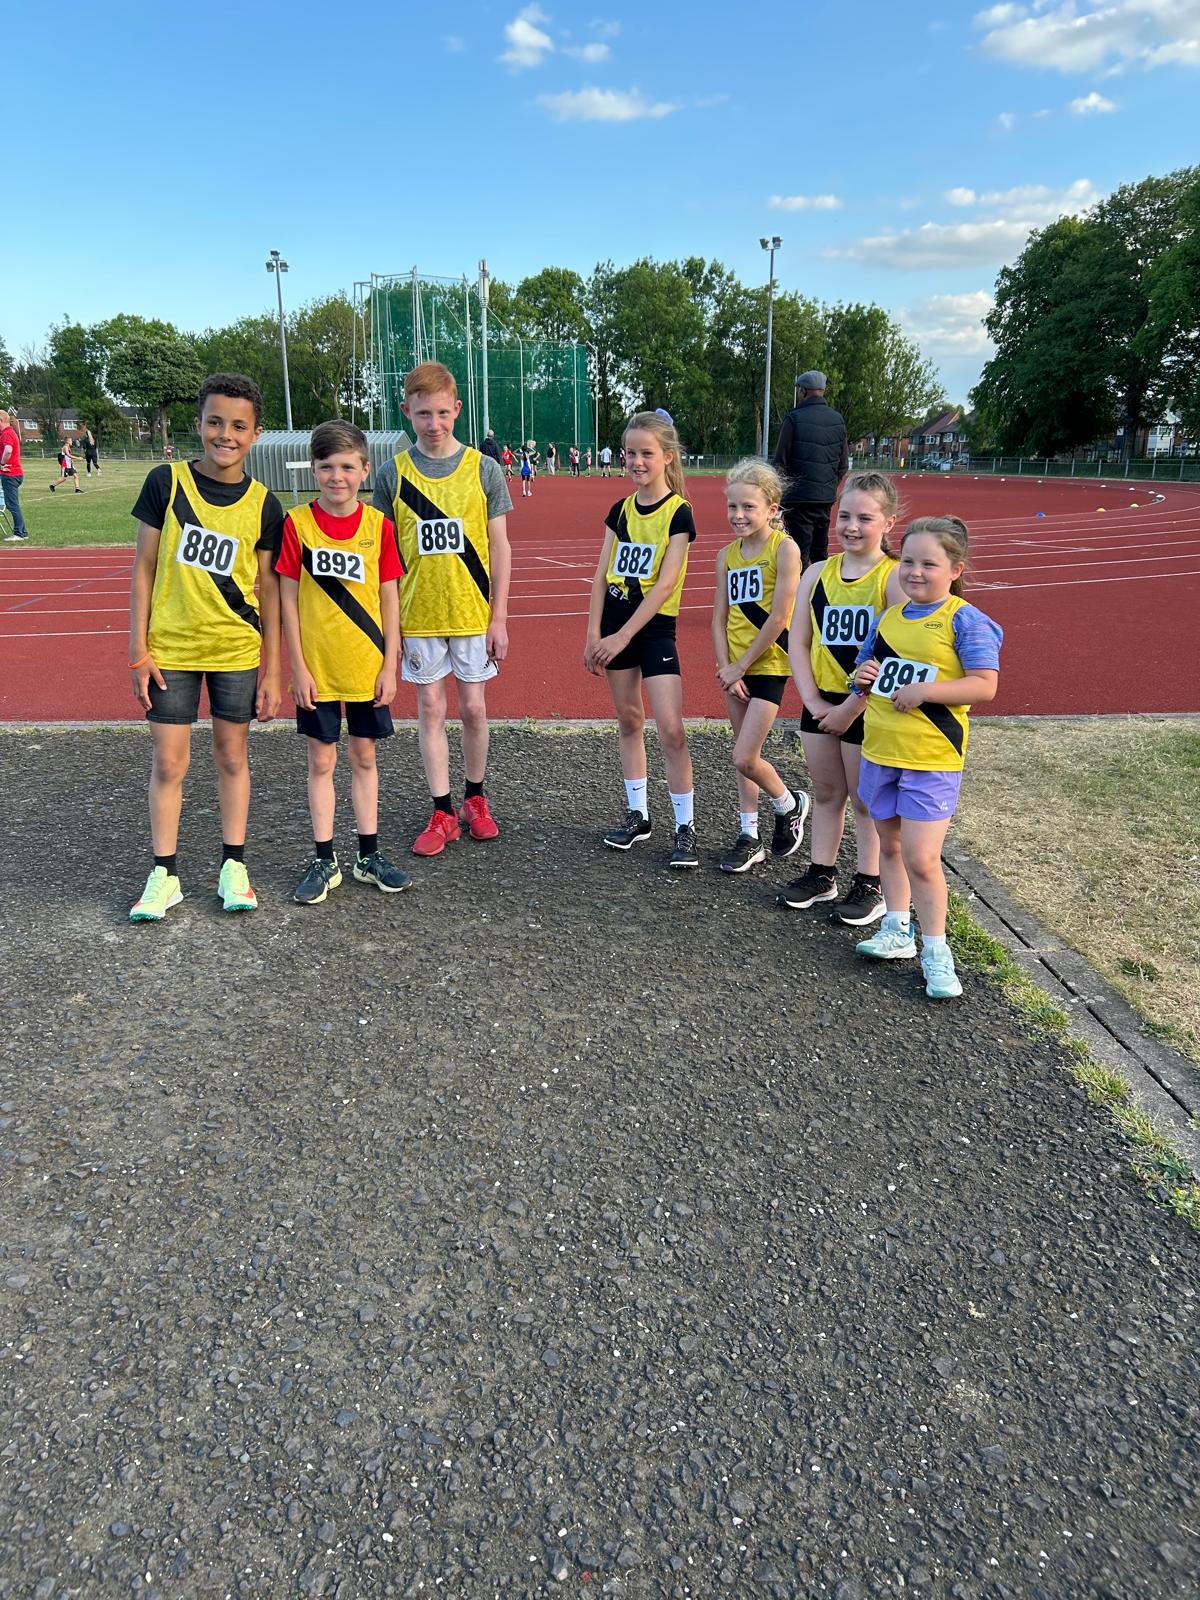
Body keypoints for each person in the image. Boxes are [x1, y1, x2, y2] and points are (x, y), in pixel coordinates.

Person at [127, 373, 284, 921]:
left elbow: (270, 593)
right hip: (170, 650)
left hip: (235, 651)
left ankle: (233, 865)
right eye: (215, 422)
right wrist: (138, 650)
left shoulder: (265, 505)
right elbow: (144, 569)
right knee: (169, 763)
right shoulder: (165, 483)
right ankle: (164, 874)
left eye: (239, 426)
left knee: (232, 757)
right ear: (198, 424)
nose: (225, 435)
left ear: (256, 434)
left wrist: (273, 672)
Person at [850, 515, 1002, 999]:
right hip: (881, 750)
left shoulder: (964, 619)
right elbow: (864, 669)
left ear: (955, 569)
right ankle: (897, 930)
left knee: (921, 857)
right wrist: (862, 676)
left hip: (931, 758)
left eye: (929, 564)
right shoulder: (889, 618)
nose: (915, 572)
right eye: (908, 561)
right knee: (890, 846)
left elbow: (985, 685)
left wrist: (927, 691)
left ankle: (937, 951)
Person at [372, 361, 512, 857]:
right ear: (407, 411)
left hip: (472, 612)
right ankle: (442, 810)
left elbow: (500, 546)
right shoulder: (392, 473)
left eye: (442, 413)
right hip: (419, 615)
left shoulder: (483, 468)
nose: (434, 424)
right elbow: (384, 555)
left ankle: (476, 798)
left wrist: (499, 617)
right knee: (430, 709)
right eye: (423, 414)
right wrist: (391, 629)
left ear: (457, 409)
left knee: (473, 708)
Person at [275, 420, 409, 905]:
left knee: (364, 757)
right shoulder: (297, 525)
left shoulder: (379, 527)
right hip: (318, 669)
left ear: (365, 470)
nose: (337, 477)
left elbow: (389, 599)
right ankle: (324, 858)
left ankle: (368, 855)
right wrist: (298, 668)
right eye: (327, 466)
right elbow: (288, 601)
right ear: (314, 468)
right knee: (321, 760)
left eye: (348, 467)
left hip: (365, 666)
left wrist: (389, 664)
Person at [779, 471, 904, 922]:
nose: (851, 526)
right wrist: (813, 702)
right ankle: (822, 874)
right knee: (827, 792)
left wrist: (853, 706)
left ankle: (870, 883)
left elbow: (895, 652)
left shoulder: (892, 578)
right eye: (844, 516)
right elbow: (798, 642)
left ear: (888, 523)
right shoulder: (817, 573)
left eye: (865, 518)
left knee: (866, 799)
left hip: (868, 707)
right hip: (821, 701)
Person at [584, 407, 699, 869]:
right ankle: (638, 815)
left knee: (671, 729)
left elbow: (666, 585)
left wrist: (622, 636)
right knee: (629, 721)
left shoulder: (678, 513)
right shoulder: (620, 511)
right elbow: (600, 576)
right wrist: (594, 633)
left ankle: (685, 827)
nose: (636, 461)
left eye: (646, 453)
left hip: (651, 628)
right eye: (629, 453)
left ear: (667, 456)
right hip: (614, 623)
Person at [711, 460, 807, 873]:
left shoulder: (784, 549)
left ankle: (789, 803)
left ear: (772, 508)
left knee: (745, 756)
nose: (738, 515)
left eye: (748, 507)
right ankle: (748, 835)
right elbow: (719, 617)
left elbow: (780, 617)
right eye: (732, 506)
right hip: (735, 670)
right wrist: (726, 667)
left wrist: (742, 665)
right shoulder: (726, 556)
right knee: (743, 753)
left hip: (768, 665)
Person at [772, 370, 848, 567]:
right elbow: (843, 465)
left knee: (798, 555)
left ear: (803, 391)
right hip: (825, 499)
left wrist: (777, 494)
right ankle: (822, 586)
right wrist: (827, 486)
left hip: (798, 499)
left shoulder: (793, 418)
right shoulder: (837, 420)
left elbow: (779, 461)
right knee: (820, 554)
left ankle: (799, 588)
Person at [0, 407, 30, 540]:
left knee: (12, 505)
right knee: (14, 504)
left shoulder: (7, 433)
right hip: (15, 473)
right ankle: (22, 532)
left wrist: (2, 463)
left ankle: (19, 533)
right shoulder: (10, 432)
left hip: (10, 474)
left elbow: (8, 450)